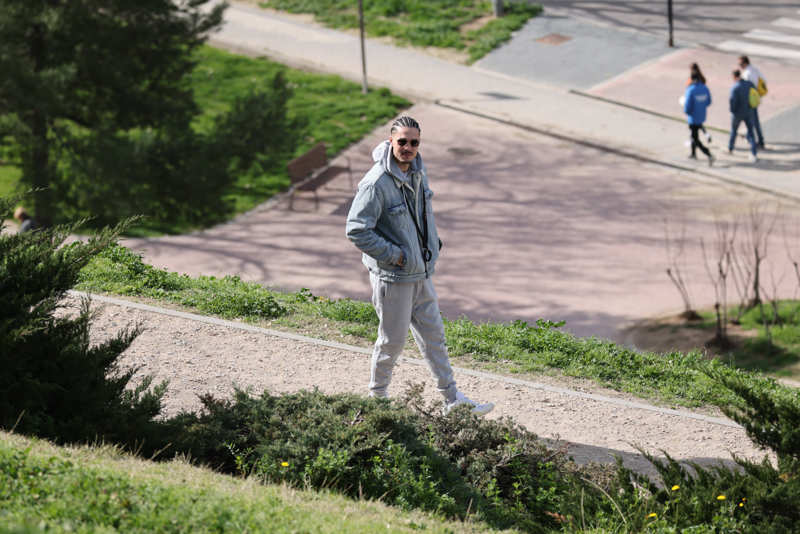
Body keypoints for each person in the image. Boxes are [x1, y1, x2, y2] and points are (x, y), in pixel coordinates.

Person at [345, 116, 494, 416]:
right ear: (391, 142)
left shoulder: (417, 173)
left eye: (414, 142)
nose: (408, 147)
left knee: (434, 337)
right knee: (391, 343)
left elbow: (423, 214)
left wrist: (432, 245)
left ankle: (452, 399)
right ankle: (376, 401)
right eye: (402, 141)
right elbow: (356, 229)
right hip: (393, 278)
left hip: (421, 274)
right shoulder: (375, 184)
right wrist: (395, 255)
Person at [683, 71, 714, 166]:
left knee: (695, 137)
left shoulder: (691, 90)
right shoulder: (705, 88)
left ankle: (708, 153)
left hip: (693, 117)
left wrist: (687, 112)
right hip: (702, 115)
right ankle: (693, 154)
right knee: (693, 135)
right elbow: (709, 101)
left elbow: (687, 106)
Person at [728, 69, 758, 163]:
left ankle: (730, 148)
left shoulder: (735, 88)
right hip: (749, 112)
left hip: (737, 113)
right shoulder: (749, 84)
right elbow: (755, 93)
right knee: (751, 133)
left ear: (734, 77)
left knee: (734, 130)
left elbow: (732, 101)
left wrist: (732, 111)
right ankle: (753, 153)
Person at [739, 55, 766, 149]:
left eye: (740, 64)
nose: (740, 66)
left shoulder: (747, 74)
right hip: (755, 98)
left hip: (750, 100)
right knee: (752, 119)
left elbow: (745, 88)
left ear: (745, 63)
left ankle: (760, 141)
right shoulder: (755, 69)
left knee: (753, 120)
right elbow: (763, 80)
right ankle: (749, 136)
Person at [686, 63, 711, 144]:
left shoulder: (693, 79)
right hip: (700, 104)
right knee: (698, 124)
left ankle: (693, 141)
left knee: (693, 125)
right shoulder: (702, 78)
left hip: (694, 104)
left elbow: (689, 88)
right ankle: (706, 135)